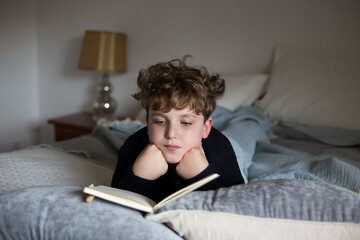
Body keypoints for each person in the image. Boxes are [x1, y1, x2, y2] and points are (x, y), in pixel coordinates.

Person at [111, 56, 244, 202]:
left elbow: (235, 203)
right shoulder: (132, 147)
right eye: (160, 121)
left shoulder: (221, 150)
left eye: (186, 123)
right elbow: (116, 200)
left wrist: (202, 176)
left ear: (205, 128)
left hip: (234, 145)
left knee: (244, 132)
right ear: (148, 123)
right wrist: (140, 176)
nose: (171, 134)